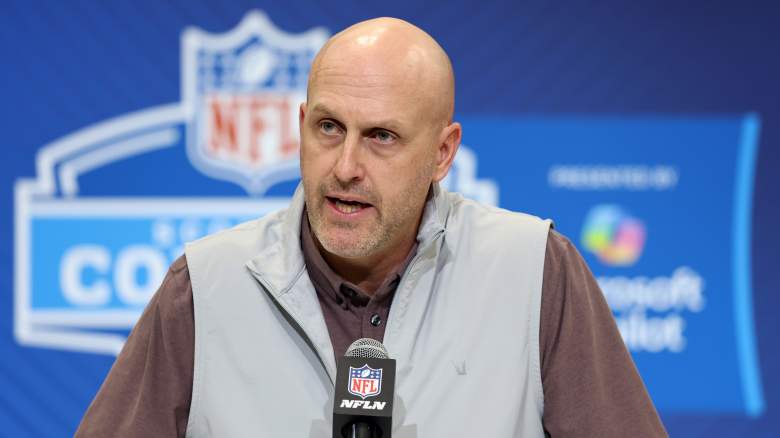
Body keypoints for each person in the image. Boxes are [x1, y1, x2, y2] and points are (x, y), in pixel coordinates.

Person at [76, 17, 668, 437]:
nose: (345, 168)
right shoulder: (204, 287)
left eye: (381, 137)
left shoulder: (536, 270)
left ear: (442, 152)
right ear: (302, 124)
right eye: (329, 128)